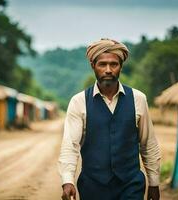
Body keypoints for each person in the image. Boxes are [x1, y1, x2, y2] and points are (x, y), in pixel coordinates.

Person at [58, 38, 161, 200]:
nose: (108, 70)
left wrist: (154, 183)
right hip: (92, 186)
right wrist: (68, 181)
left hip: (131, 186)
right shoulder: (79, 102)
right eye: (102, 64)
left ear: (121, 66)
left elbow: (148, 143)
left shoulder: (138, 99)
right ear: (93, 66)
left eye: (114, 64)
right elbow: (70, 145)